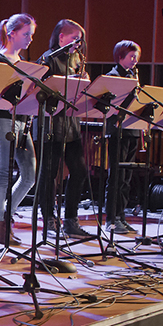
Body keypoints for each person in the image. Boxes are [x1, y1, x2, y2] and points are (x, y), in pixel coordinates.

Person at [35, 19, 93, 240]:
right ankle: (48, 219)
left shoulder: (76, 60)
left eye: (80, 40)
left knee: (79, 171)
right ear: (61, 37)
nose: (78, 44)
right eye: (74, 38)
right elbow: (41, 90)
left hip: (71, 124)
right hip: (51, 124)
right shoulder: (48, 58)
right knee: (49, 175)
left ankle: (70, 220)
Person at [0, 13, 38, 246]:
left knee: (29, 175)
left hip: (22, 121)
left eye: (31, 35)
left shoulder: (24, 63)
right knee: (4, 174)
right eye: (26, 34)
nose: (30, 39)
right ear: (12, 34)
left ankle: (5, 215)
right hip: (2, 120)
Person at [106, 40, 142, 235]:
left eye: (136, 57)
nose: (135, 60)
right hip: (118, 130)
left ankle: (121, 216)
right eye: (131, 56)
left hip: (132, 129)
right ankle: (111, 219)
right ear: (120, 56)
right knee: (116, 177)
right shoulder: (114, 76)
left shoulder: (132, 76)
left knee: (126, 178)